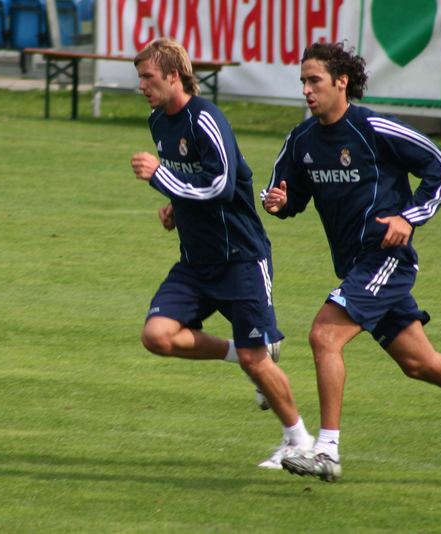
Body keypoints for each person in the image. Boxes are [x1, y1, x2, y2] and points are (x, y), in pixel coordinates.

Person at [261, 41, 441, 482]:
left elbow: (440, 166)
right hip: (356, 266)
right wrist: (278, 201)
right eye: (302, 82)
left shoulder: (374, 127)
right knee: (419, 364)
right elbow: (284, 192)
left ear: (341, 81)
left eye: (314, 80)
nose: (307, 91)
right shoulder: (303, 139)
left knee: (324, 336)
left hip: (386, 258)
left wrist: (410, 218)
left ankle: (327, 451)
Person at [130, 37, 314, 468]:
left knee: (257, 360)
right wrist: (176, 206)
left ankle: (300, 441)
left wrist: (162, 179)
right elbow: (190, 178)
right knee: (157, 336)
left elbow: (221, 185)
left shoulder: (207, 119)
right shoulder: (159, 120)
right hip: (195, 262)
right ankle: (245, 352)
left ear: (174, 76)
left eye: (148, 77)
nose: (142, 86)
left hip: (241, 259)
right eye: (140, 77)